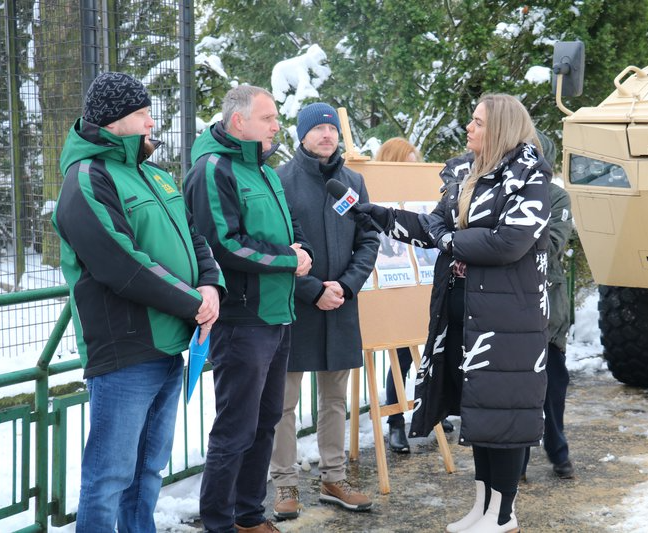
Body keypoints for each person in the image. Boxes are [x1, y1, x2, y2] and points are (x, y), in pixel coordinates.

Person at [352, 94, 551, 533]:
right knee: (479, 413)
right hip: (465, 318)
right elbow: (432, 225)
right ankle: (483, 505)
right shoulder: (467, 174)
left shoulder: (530, 176)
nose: (468, 128)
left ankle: (504, 515)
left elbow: (508, 243)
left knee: (504, 415)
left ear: (498, 128)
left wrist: (452, 240)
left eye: (477, 122)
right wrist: (380, 217)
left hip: (509, 323)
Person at [52, 72, 224, 533]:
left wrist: (210, 286)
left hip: (169, 347)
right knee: (108, 479)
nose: (152, 122)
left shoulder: (155, 174)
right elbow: (121, 264)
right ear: (113, 122)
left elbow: (196, 238)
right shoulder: (86, 179)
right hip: (125, 353)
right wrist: (193, 303)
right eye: (142, 114)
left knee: (148, 472)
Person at [183, 85, 313, 533]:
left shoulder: (266, 171)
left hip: (278, 316)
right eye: (268, 118)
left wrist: (301, 250)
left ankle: (249, 515)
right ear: (239, 122)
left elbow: (290, 227)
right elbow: (223, 245)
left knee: (265, 422)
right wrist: (287, 259)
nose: (277, 125)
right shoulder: (213, 169)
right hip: (241, 320)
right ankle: (219, 521)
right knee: (235, 428)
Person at [270, 102, 379, 519]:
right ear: (301, 135)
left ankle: (334, 478)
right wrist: (312, 289)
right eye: (317, 129)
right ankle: (285, 484)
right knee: (283, 402)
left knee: (335, 400)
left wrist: (346, 286)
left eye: (331, 128)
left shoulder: (353, 182)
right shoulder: (279, 182)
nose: (326, 135)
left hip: (340, 306)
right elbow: (276, 249)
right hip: (295, 306)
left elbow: (369, 239)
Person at [374, 137, 454, 454]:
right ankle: (395, 422)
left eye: (415, 162)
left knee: (434, 351)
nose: (412, 169)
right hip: (395, 285)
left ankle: (435, 410)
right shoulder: (380, 194)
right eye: (406, 163)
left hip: (427, 281)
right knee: (401, 359)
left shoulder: (426, 195)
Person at [522, 132, 575, 480]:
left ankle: (557, 450)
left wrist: (510, 238)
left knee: (553, 387)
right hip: (510, 307)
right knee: (518, 390)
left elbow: (553, 242)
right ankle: (518, 460)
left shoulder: (556, 197)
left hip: (548, 310)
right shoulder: (504, 194)